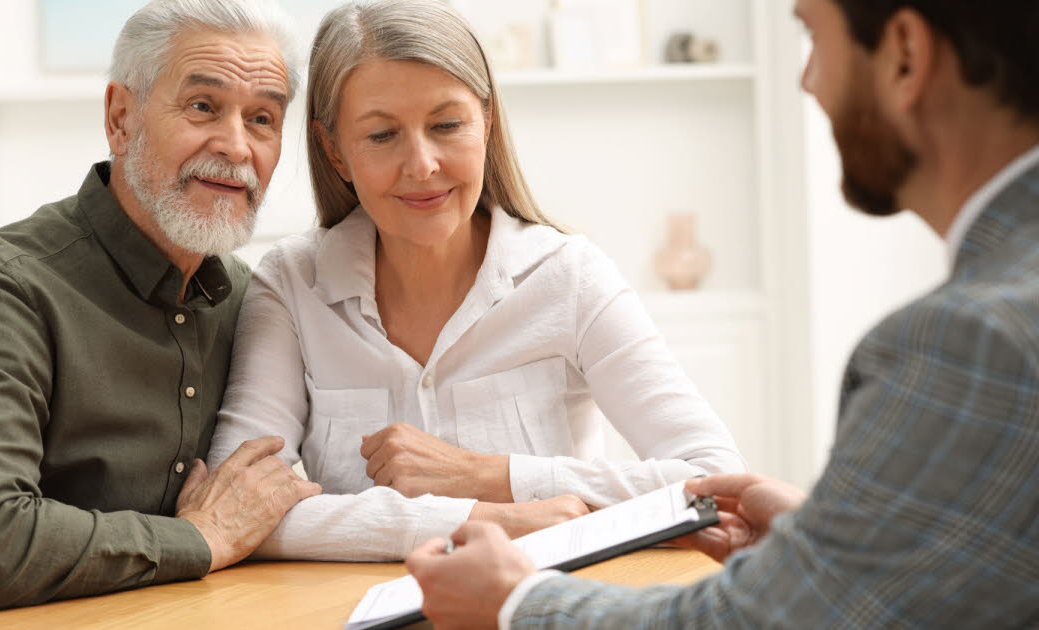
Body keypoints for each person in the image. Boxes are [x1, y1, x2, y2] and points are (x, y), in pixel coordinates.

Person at [405, 0, 1039, 627]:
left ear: (904, 53)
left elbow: (754, 623)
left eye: (813, 38)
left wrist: (517, 603)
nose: (807, 80)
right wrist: (820, 538)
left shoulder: (973, 338)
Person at [206, 0, 745, 562]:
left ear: (486, 123)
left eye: (446, 125)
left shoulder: (568, 276)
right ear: (335, 151)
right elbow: (235, 508)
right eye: (382, 135)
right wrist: (486, 518)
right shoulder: (291, 284)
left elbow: (716, 480)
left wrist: (489, 475)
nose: (422, 165)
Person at [0, 0, 322, 611]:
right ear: (120, 118)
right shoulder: (7, 285)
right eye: (202, 106)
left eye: (263, 118)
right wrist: (199, 537)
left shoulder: (251, 298)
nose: (237, 146)